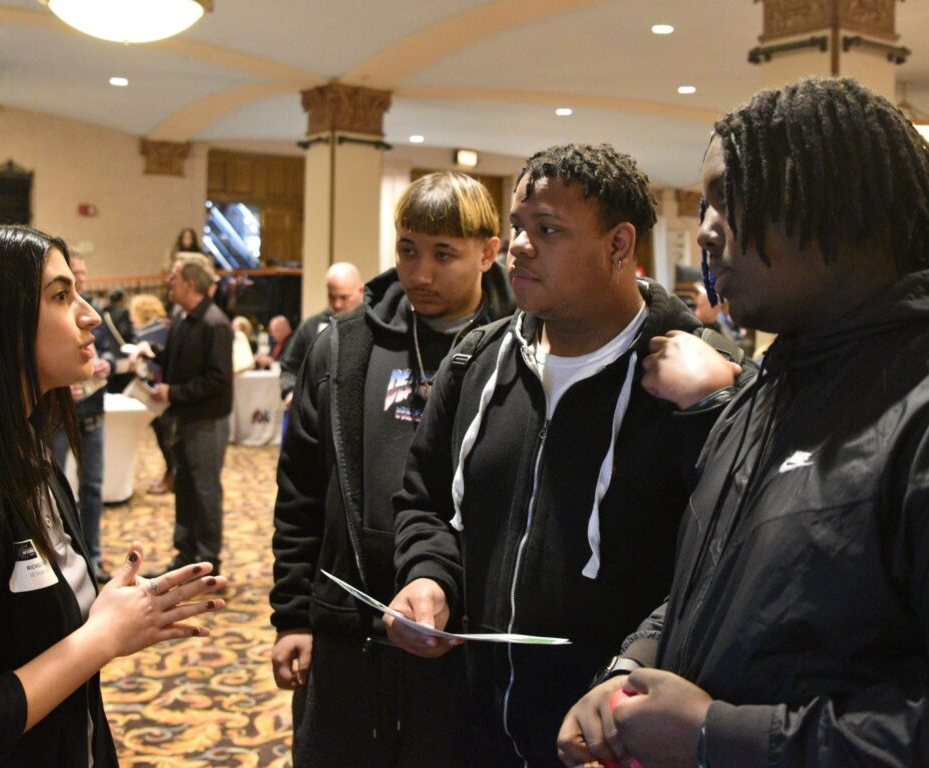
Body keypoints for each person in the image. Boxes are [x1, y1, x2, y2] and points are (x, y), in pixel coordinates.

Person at [557, 76, 929, 768]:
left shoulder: (916, 411)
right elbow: (711, 591)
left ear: (839, 198)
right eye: (704, 205)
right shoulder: (761, 397)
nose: (704, 231)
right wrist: (628, 670)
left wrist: (718, 737)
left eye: (731, 199)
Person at [386, 144, 744, 767]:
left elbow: (722, 562)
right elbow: (424, 501)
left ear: (618, 245)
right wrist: (426, 574)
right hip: (470, 725)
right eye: (518, 226)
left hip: (615, 736)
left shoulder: (696, 381)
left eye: (547, 229)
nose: (521, 244)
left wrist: (635, 668)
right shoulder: (476, 361)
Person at [0, 225, 226, 766]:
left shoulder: (33, 457)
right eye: (60, 296)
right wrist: (99, 639)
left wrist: (105, 612)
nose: (90, 314)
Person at [270, 172, 516, 767]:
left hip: (461, 638)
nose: (420, 274)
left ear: (488, 252)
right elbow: (300, 490)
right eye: (407, 250)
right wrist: (292, 615)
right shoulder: (341, 348)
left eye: (443, 254)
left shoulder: (519, 349)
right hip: (348, 629)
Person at [143, 256, 233, 578]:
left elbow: (218, 379)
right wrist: (153, 355)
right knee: (184, 486)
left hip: (207, 421)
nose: (169, 283)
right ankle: (185, 555)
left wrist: (173, 393)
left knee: (205, 491)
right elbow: (179, 362)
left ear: (191, 284)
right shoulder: (184, 318)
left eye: (174, 279)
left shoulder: (214, 322)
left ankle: (209, 564)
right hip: (185, 419)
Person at [49, 251, 114, 583]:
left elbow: (113, 352)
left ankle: (94, 556)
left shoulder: (93, 312)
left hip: (93, 414)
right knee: (56, 490)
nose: (83, 280)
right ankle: (65, 560)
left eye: (84, 274)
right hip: (61, 418)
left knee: (92, 488)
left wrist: (107, 365)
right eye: (75, 275)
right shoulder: (60, 316)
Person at [278, 261, 365, 403]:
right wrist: (290, 393)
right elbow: (289, 369)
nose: (337, 304)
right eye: (332, 297)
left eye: (344, 297)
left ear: (361, 291)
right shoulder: (311, 327)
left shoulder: (372, 326)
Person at [130, 293, 176, 496]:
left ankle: (173, 475)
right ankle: (172, 474)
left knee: (166, 437)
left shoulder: (153, 332)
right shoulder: (166, 327)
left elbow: (156, 362)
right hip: (165, 388)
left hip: (162, 390)